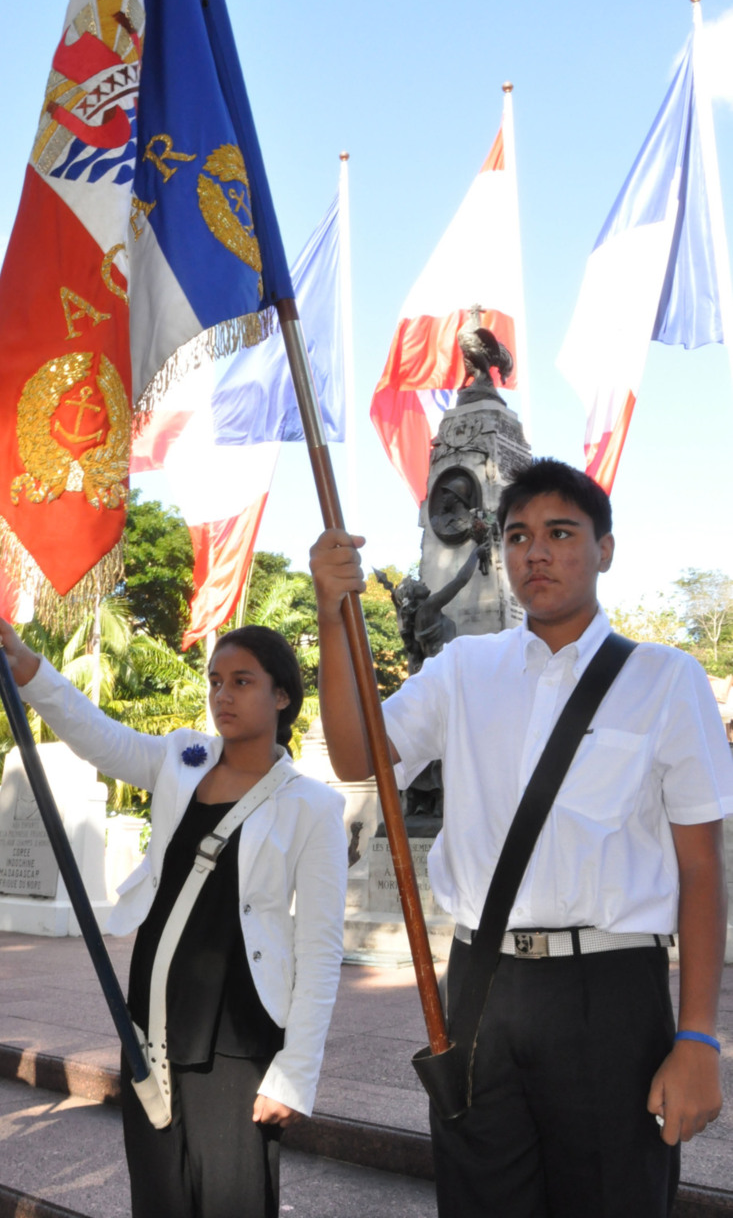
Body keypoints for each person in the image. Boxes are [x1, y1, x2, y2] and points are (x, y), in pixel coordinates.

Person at [309, 457, 733, 1218]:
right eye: (516, 536)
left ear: (604, 549)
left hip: (609, 992)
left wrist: (699, 1038)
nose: (535, 552)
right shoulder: (464, 668)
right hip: (480, 987)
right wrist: (331, 617)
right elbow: (354, 754)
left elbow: (700, 867)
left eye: (560, 533)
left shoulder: (666, 680)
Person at [0, 618, 347, 1218]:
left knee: (231, 1200)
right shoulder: (182, 760)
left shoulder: (312, 806)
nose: (223, 694)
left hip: (238, 1034)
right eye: (216, 681)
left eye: (242, 681)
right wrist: (29, 669)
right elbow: (100, 736)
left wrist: (296, 1073)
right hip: (152, 1019)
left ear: (282, 695)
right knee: (158, 1196)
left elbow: (321, 949)